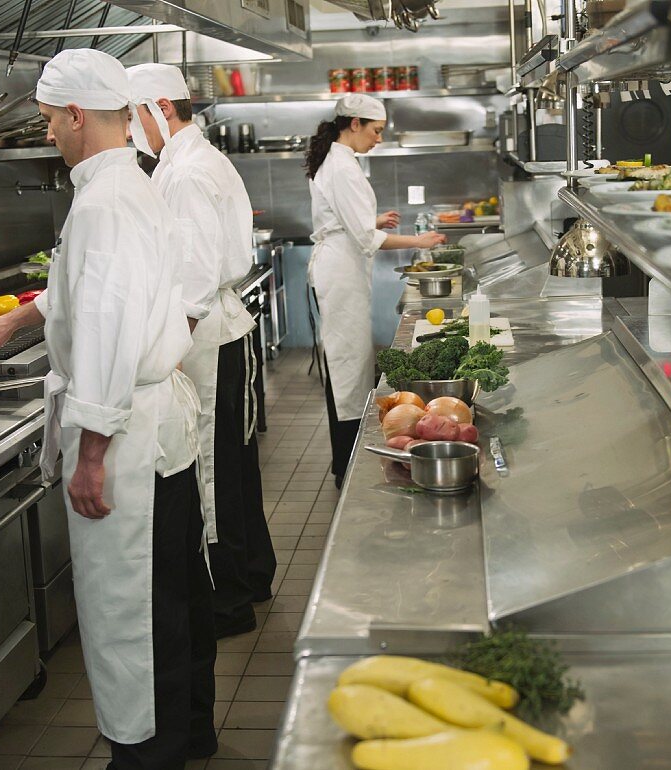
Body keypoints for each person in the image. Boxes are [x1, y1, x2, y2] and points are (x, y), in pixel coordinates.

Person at [0, 50, 217, 768]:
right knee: (171, 590)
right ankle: (191, 737)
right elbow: (93, 292)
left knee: (128, 608)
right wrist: (12, 323)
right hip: (157, 426)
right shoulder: (126, 185)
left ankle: (147, 755)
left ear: (77, 115)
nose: (47, 133)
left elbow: (106, 325)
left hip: (127, 438)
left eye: (48, 120)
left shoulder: (104, 200)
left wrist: (94, 451)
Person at [127, 63, 277, 639]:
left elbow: (191, 281)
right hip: (223, 331)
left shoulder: (186, 173)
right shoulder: (193, 160)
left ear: (161, 107)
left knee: (213, 474)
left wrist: (166, 352)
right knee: (236, 467)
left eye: (135, 114)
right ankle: (252, 576)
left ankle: (229, 602)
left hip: (205, 338)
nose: (133, 128)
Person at [305, 93, 446, 489]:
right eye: (376, 131)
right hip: (341, 271)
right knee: (347, 366)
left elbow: (349, 220)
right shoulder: (342, 167)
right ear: (354, 124)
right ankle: (345, 466)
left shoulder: (338, 161)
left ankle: (344, 460)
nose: (378, 139)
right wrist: (418, 243)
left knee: (349, 363)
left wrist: (374, 218)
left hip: (342, 268)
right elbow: (367, 239)